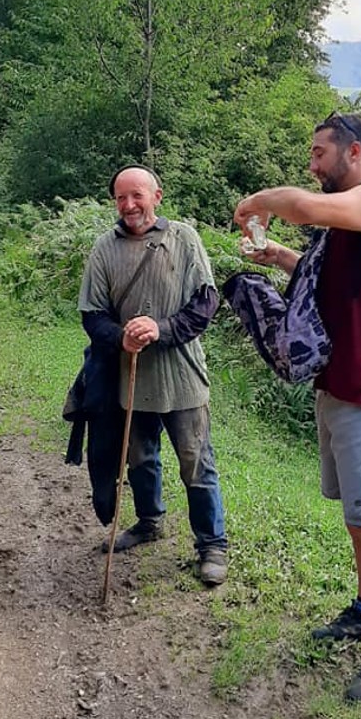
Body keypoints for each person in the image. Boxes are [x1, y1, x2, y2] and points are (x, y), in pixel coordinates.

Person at [233, 113, 361, 701]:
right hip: (339, 384)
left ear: (354, 152)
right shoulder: (350, 223)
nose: (312, 166)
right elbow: (333, 284)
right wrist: (283, 258)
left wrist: (257, 201)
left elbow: (305, 206)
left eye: (319, 154)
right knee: (357, 517)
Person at [78, 164, 228, 586]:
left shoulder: (184, 239)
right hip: (130, 379)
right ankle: (149, 522)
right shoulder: (104, 249)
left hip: (182, 378)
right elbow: (92, 314)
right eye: (121, 198)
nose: (129, 205)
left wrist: (161, 329)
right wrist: (120, 338)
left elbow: (205, 303)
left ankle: (212, 545)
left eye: (137, 195)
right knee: (140, 458)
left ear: (157, 196)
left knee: (196, 462)